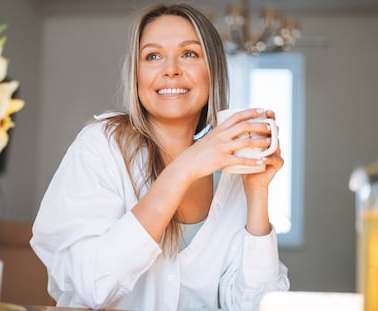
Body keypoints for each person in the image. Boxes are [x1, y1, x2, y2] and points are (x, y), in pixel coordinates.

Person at [30, 3, 289, 311]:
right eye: (153, 56)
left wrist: (258, 192)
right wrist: (186, 168)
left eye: (189, 54)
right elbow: (91, 286)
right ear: (136, 74)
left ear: (213, 70)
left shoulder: (231, 170)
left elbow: (256, 304)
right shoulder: (102, 146)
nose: (171, 69)